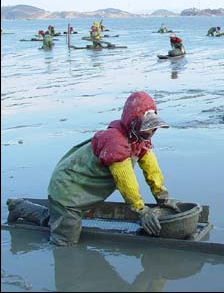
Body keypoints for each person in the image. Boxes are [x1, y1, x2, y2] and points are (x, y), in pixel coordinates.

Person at [7, 91, 179, 246]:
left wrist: (162, 197)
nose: (152, 131)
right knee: (66, 240)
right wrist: (142, 211)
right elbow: (126, 182)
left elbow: (152, 169)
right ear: (132, 122)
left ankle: (21, 207)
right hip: (69, 187)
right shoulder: (115, 142)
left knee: (62, 218)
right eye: (147, 127)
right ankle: (24, 211)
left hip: (85, 188)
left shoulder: (139, 138)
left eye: (153, 127)